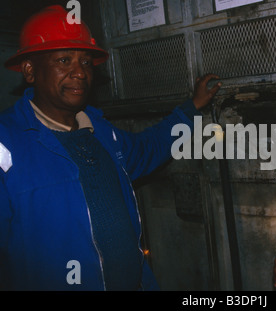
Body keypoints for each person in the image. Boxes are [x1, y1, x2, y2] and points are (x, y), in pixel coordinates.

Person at [0, 5, 220, 290]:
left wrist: (190, 109)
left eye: (86, 62)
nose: (79, 72)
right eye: (64, 60)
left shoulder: (101, 132)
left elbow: (148, 148)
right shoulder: (7, 145)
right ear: (30, 70)